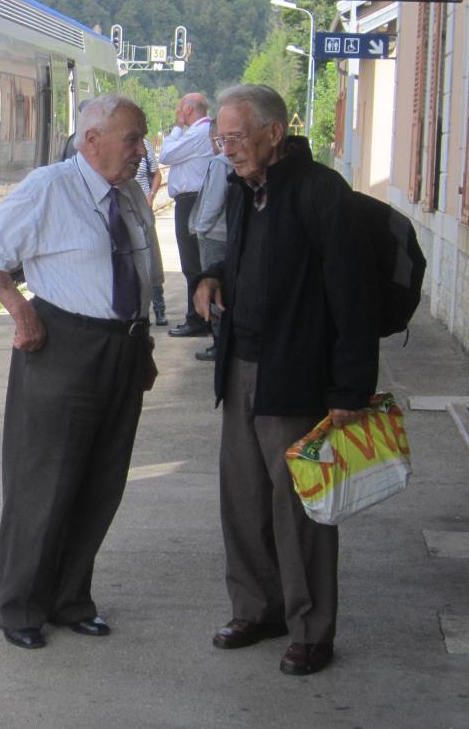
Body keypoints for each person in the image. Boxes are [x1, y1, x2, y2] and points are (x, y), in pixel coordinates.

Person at [0, 94, 161, 651]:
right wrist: (21, 311)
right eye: (132, 140)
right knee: (42, 484)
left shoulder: (131, 194)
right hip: (64, 347)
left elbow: (140, 276)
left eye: (142, 140)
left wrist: (140, 346)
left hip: (121, 350)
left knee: (101, 484)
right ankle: (21, 607)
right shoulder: (50, 187)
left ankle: (72, 599)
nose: (141, 152)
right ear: (92, 140)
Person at [194, 84, 378, 677]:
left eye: (237, 137)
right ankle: (257, 609)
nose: (228, 150)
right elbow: (254, 258)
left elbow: (354, 300)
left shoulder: (323, 193)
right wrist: (214, 275)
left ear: (274, 133)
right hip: (243, 367)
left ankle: (310, 628)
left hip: (297, 376)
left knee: (300, 509)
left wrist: (350, 391)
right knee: (243, 502)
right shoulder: (247, 190)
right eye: (221, 139)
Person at [160, 92, 214, 338]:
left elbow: (166, 155)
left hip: (192, 201)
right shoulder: (202, 132)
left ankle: (199, 319)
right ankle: (200, 317)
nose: (177, 112)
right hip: (191, 200)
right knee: (192, 262)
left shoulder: (198, 132)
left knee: (192, 262)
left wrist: (177, 127)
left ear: (188, 110)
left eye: (179, 108)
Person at [186, 124, 233, 360]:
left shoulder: (219, 164)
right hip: (229, 234)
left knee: (213, 293)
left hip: (214, 236)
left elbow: (213, 201)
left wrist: (201, 230)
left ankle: (218, 343)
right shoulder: (233, 163)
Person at [134, 135, 167, 326]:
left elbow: (156, 174)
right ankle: (140, 312)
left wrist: (151, 196)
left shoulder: (144, 143)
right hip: (125, 209)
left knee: (152, 259)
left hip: (143, 210)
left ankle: (160, 309)